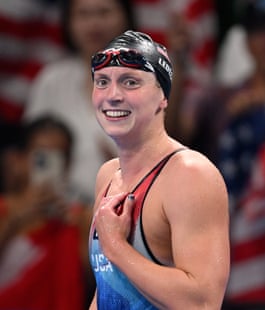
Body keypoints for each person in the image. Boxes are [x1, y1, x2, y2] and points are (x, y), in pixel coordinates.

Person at [88, 30, 230, 309]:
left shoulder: (189, 175)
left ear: (163, 96)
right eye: (102, 82)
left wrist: (116, 248)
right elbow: (108, 292)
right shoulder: (108, 176)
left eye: (130, 82)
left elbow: (203, 302)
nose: (113, 95)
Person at [23, 0, 136, 205]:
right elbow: (30, 154)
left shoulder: (143, 83)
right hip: (54, 213)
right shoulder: (51, 80)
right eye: (83, 14)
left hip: (125, 209)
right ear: (68, 22)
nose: (94, 24)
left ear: (126, 17)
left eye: (104, 12)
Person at [180, 0, 265, 162]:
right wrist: (178, 63)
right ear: (246, 41)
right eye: (260, 30)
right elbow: (175, 139)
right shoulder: (217, 101)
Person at [0, 115, 93, 310]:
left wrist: (77, 230)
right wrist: (16, 221)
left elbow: (96, 284)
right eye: (41, 156)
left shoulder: (81, 218)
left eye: (60, 156)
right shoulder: (3, 209)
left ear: (69, 163)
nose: (51, 165)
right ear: (19, 159)